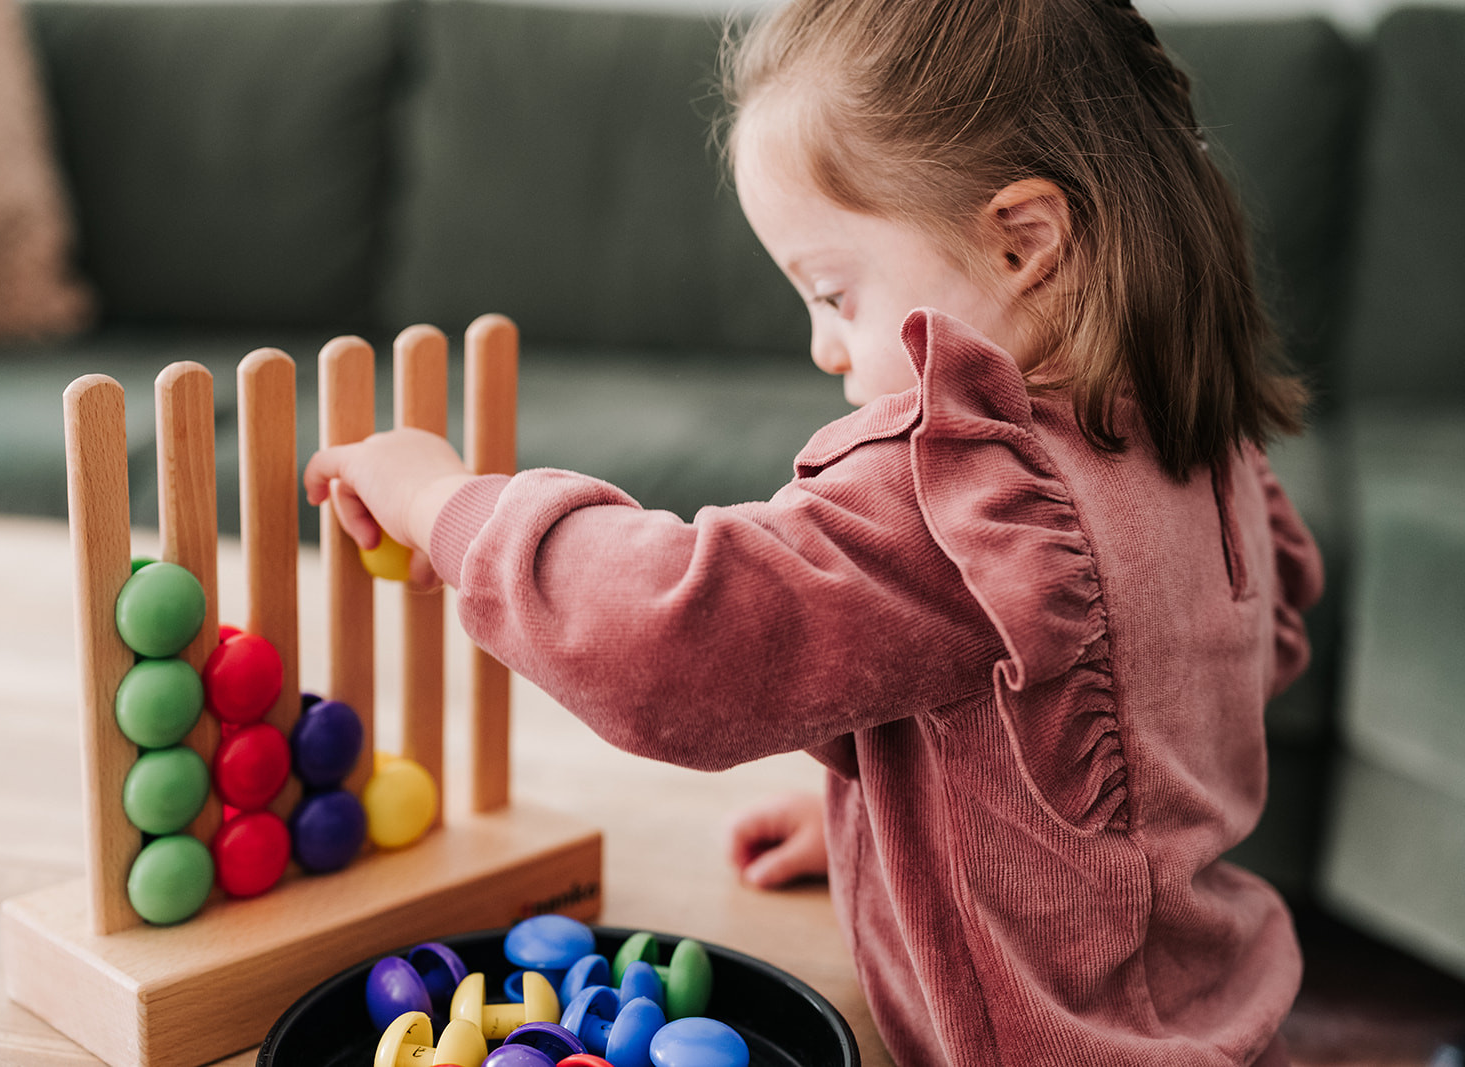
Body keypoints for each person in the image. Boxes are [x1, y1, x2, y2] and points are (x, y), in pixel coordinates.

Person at [304, 0, 1323, 1062]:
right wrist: (905, 823)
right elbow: (1139, 731)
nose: (823, 348)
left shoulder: (968, 497)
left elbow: (664, 641)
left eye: (835, 293)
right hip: (1224, 1010)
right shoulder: (1196, 443)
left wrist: (446, 505)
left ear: (1024, 241)